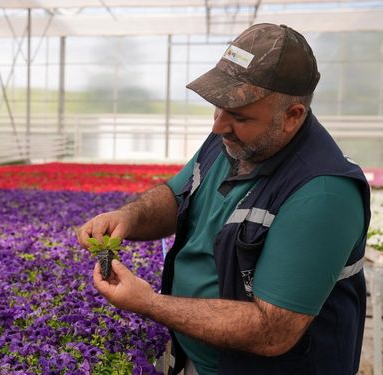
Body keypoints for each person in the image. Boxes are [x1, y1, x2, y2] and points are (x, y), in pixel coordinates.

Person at [77, 23, 371, 375]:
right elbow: (176, 195)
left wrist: (149, 303)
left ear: (292, 117)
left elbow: (272, 331)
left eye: (239, 114)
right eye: (219, 108)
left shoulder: (321, 194)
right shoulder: (236, 137)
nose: (218, 125)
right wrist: (129, 218)